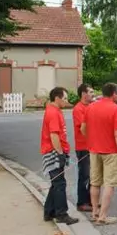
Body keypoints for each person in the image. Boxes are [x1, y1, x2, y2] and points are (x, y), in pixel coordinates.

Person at [83, 83, 117, 225]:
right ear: (114, 93)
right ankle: (103, 216)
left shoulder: (90, 107)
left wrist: (91, 140)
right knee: (109, 184)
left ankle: (95, 212)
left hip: (94, 150)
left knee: (95, 182)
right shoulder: (116, 109)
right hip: (111, 152)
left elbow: (83, 128)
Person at [41, 86, 79, 225]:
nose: (66, 101)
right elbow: (54, 135)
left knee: (56, 182)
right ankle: (61, 213)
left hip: (54, 150)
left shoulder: (54, 110)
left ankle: (49, 211)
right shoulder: (53, 113)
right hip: (53, 151)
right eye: (64, 98)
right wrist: (60, 153)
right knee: (59, 183)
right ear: (57, 98)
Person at [73, 83, 94, 212]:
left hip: (92, 146)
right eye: (91, 92)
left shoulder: (91, 106)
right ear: (84, 94)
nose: (93, 94)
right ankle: (82, 202)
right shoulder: (78, 109)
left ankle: (92, 200)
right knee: (84, 174)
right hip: (83, 147)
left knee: (93, 174)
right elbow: (83, 128)